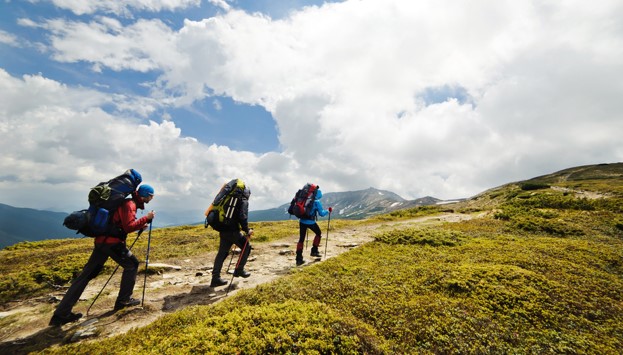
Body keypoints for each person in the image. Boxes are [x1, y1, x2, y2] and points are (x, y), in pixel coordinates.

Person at [49, 184, 156, 326]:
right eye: (151, 196)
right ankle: (123, 300)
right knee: (132, 264)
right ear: (146, 195)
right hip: (112, 243)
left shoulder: (127, 203)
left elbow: (122, 223)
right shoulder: (129, 204)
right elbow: (128, 227)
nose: (151, 198)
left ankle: (61, 314)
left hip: (102, 242)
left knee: (85, 276)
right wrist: (146, 218)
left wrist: (140, 224)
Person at [210, 184, 253, 288]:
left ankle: (215, 278)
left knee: (222, 253)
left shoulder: (229, 198)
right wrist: (247, 230)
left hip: (223, 229)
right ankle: (239, 270)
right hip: (233, 231)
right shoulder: (242, 200)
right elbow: (243, 216)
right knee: (246, 247)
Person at [296, 188, 332, 266]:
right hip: (311, 222)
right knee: (318, 233)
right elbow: (321, 214)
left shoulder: (304, 200)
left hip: (302, 221)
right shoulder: (316, 202)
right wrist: (328, 211)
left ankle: (298, 259)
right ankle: (314, 251)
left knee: (301, 239)